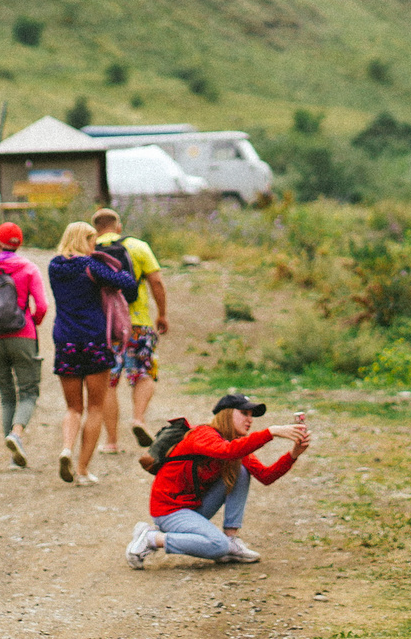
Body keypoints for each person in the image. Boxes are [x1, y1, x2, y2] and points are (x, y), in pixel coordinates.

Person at [125, 393, 309, 567]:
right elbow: (226, 451)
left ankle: (232, 541)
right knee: (217, 546)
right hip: (169, 510)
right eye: (244, 413)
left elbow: (266, 476)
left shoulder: (235, 444)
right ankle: (151, 538)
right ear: (227, 414)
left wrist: (293, 454)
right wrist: (271, 432)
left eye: (251, 415)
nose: (250, 420)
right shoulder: (204, 434)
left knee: (241, 472)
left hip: (193, 507)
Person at [43, 220, 137, 485]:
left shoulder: (54, 266)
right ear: (84, 240)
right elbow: (126, 283)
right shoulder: (90, 266)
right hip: (95, 340)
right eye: (92, 241)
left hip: (66, 341)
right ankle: (82, 469)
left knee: (73, 408)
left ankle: (66, 449)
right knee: (95, 408)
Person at [0, 222, 51, 466]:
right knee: (28, 391)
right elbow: (43, 306)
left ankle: (14, 458)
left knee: (7, 396)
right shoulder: (29, 269)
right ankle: (16, 433)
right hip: (23, 336)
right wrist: (31, 322)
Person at [89, 208, 166, 452]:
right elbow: (157, 282)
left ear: (96, 228)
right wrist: (162, 314)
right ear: (118, 226)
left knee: (109, 383)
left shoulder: (88, 248)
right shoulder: (138, 246)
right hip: (138, 324)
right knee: (144, 373)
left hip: (106, 326)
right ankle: (138, 419)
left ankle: (111, 442)